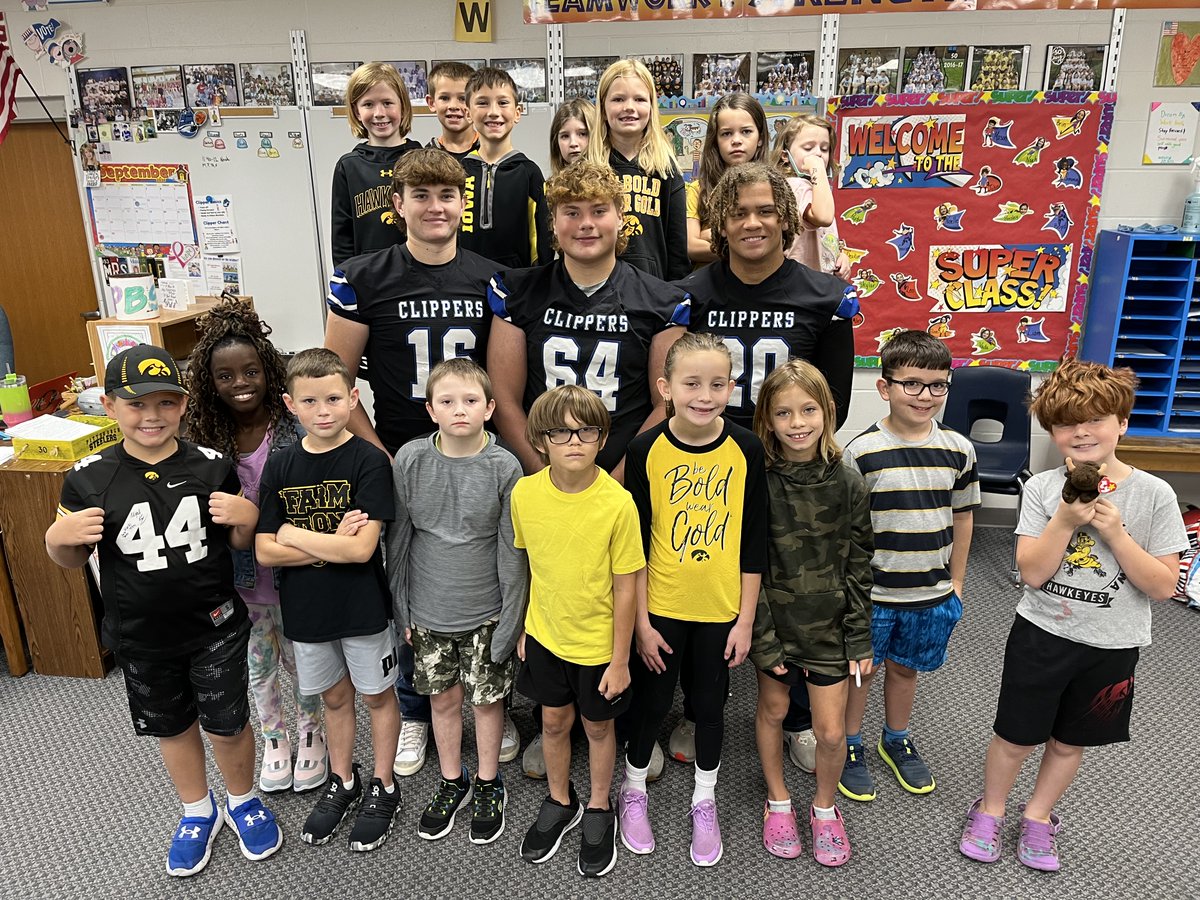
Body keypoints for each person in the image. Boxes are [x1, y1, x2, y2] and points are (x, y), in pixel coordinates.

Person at [46, 344, 282, 877]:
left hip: (214, 624)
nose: (151, 416)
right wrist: (56, 538)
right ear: (109, 406)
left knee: (228, 722)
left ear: (181, 404)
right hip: (141, 632)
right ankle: (197, 809)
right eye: (136, 405)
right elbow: (67, 556)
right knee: (172, 726)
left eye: (165, 403)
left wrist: (247, 516)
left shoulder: (211, 465)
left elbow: (241, 544)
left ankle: (242, 799)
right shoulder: (88, 477)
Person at [325, 148, 519, 775]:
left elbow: (505, 378)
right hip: (403, 448)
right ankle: (416, 708)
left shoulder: (493, 278)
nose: (436, 208)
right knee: (406, 571)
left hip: (476, 449)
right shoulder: (364, 275)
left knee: (488, 565)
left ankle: (494, 703)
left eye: (447, 197)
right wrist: (381, 459)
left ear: (462, 204)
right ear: (397, 204)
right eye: (422, 197)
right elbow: (338, 381)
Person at [959, 359, 1187, 873]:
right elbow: (1033, 573)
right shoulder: (1041, 489)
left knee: (1070, 740)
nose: (1081, 431)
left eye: (1096, 419)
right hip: (1042, 633)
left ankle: (1039, 816)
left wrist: (1117, 534)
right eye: (1066, 422)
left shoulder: (1154, 495)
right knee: (1015, 735)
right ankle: (991, 808)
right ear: (1052, 432)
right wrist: (1064, 520)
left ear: (1122, 423)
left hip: (1113, 644)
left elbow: (1163, 585)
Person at [674, 162, 859, 769]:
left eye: (765, 211)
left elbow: (834, 398)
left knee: (798, 588)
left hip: (790, 471)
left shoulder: (824, 296)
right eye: (737, 213)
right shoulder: (691, 296)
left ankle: (800, 712)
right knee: (701, 583)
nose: (752, 223)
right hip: (709, 467)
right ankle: (698, 707)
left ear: (786, 218)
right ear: (718, 224)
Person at [619, 333, 767, 867]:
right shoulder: (645, 449)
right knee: (652, 704)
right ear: (665, 388)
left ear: (732, 386)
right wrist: (639, 624)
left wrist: (745, 621)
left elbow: (754, 540)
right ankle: (633, 789)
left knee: (707, 708)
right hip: (660, 608)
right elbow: (631, 549)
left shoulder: (747, 448)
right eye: (691, 383)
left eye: (717, 383)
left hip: (721, 612)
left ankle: (704, 801)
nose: (705, 395)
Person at [255, 349, 401, 852]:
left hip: (362, 608)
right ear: (290, 404)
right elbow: (262, 548)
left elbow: (362, 549)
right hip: (307, 612)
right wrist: (325, 540)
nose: (323, 410)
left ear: (352, 398)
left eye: (334, 398)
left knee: (378, 696)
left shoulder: (368, 460)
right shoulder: (280, 464)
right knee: (334, 699)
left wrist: (294, 533)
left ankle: (384, 784)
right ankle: (344, 779)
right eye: (310, 400)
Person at [185, 299, 326, 795]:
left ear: (270, 370)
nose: (240, 383)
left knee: (304, 660)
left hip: (294, 567)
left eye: (250, 371)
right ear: (210, 382)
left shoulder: (293, 427)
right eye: (225, 376)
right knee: (259, 665)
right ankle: (276, 738)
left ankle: (311, 733)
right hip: (241, 579)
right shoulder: (204, 435)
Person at [387, 358, 527, 845]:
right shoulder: (409, 460)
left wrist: (512, 619)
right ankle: (454, 780)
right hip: (427, 612)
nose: (459, 410)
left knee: (488, 705)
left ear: (490, 408)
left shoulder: (505, 466)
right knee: (442, 702)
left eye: (470, 401)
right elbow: (399, 540)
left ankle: (489, 782)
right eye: (447, 402)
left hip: (487, 612)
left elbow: (512, 552)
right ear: (431, 410)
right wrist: (399, 608)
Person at [838, 330, 979, 803]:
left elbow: (963, 516)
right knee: (864, 670)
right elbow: (848, 531)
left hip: (930, 591)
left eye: (938, 385)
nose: (926, 396)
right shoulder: (859, 452)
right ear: (885, 387)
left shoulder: (960, 449)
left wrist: (956, 580)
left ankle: (895, 736)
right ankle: (851, 743)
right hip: (874, 592)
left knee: (905, 670)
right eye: (912, 384)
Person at [513, 385, 645, 878]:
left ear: (601, 437)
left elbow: (627, 587)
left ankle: (597, 807)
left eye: (586, 430)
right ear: (541, 440)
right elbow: (530, 566)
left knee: (598, 727)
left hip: (598, 646)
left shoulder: (618, 503)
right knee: (551, 723)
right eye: (560, 432)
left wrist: (618, 659)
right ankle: (559, 799)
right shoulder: (525, 494)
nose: (574, 441)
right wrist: (527, 626)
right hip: (545, 636)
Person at [488, 160, 689, 481]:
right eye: (571, 212)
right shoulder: (516, 291)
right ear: (552, 221)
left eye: (598, 211)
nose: (585, 224)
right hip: (539, 474)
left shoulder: (662, 302)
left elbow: (666, 404)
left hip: (624, 475)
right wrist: (543, 478)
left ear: (621, 217)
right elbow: (504, 399)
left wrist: (617, 483)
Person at [750, 360, 873, 867]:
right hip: (775, 625)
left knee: (828, 731)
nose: (797, 422)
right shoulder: (758, 480)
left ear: (828, 411)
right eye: (784, 413)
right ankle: (777, 801)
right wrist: (762, 638)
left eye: (808, 410)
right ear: (768, 420)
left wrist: (859, 636)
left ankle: (825, 809)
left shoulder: (848, 482)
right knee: (774, 713)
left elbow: (861, 562)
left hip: (831, 630)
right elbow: (748, 564)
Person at [588, 59, 690, 282]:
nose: (629, 107)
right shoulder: (587, 169)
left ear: (652, 107)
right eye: (618, 99)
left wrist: (676, 295)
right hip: (597, 290)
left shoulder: (666, 170)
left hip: (652, 290)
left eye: (640, 99)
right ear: (603, 108)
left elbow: (677, 247)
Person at [457, 67, 551, 269]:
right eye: (482, 103)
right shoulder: (458, 172)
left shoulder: (529, 173)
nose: (493, 112)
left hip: (518, 285)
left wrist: (539, 282)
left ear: (517, 113)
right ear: (468, 112)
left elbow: (541, 238)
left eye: (503, 103)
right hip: (464, 283)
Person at [330, 62, 421, 267]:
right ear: (356, 111)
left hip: (418, 274)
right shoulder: (348, 167)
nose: (379, 113)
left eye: (388, 103)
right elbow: (342, 236)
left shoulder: (422, 159)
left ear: (403, 106)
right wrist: (344, 279)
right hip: (368, 278)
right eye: (368, 104)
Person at [687, 93, 768, 265]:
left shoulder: (774, 188)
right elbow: (692, 247)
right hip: (710, 286)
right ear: (715, 140)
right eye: (726, 134)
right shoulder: (697, 189)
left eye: (746, 131)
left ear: (760, 138)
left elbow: (779, 241)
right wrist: (745, 245)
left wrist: (712, 235)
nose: (736, 140)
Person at [773, 114, 851, 278]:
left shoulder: (815, 187)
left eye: (824, 149)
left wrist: (840, 255)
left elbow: (824, 234)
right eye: (808, 148)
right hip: (800, 284)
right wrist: (817, 168)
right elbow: (822, 217)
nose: (818, 154)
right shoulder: (794, 185)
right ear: (785, 156)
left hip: (818, 282)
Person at [425, 61, 480, 160]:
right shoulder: (426, 159)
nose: (454, 106)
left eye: (463, 98)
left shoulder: (492, 150)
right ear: (431, 103)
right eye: (445, 98)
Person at [550, 97, 594, 175]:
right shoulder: (552, 185)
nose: (573, 143)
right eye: (565, 136)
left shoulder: (613, 182)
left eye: (582, 134)